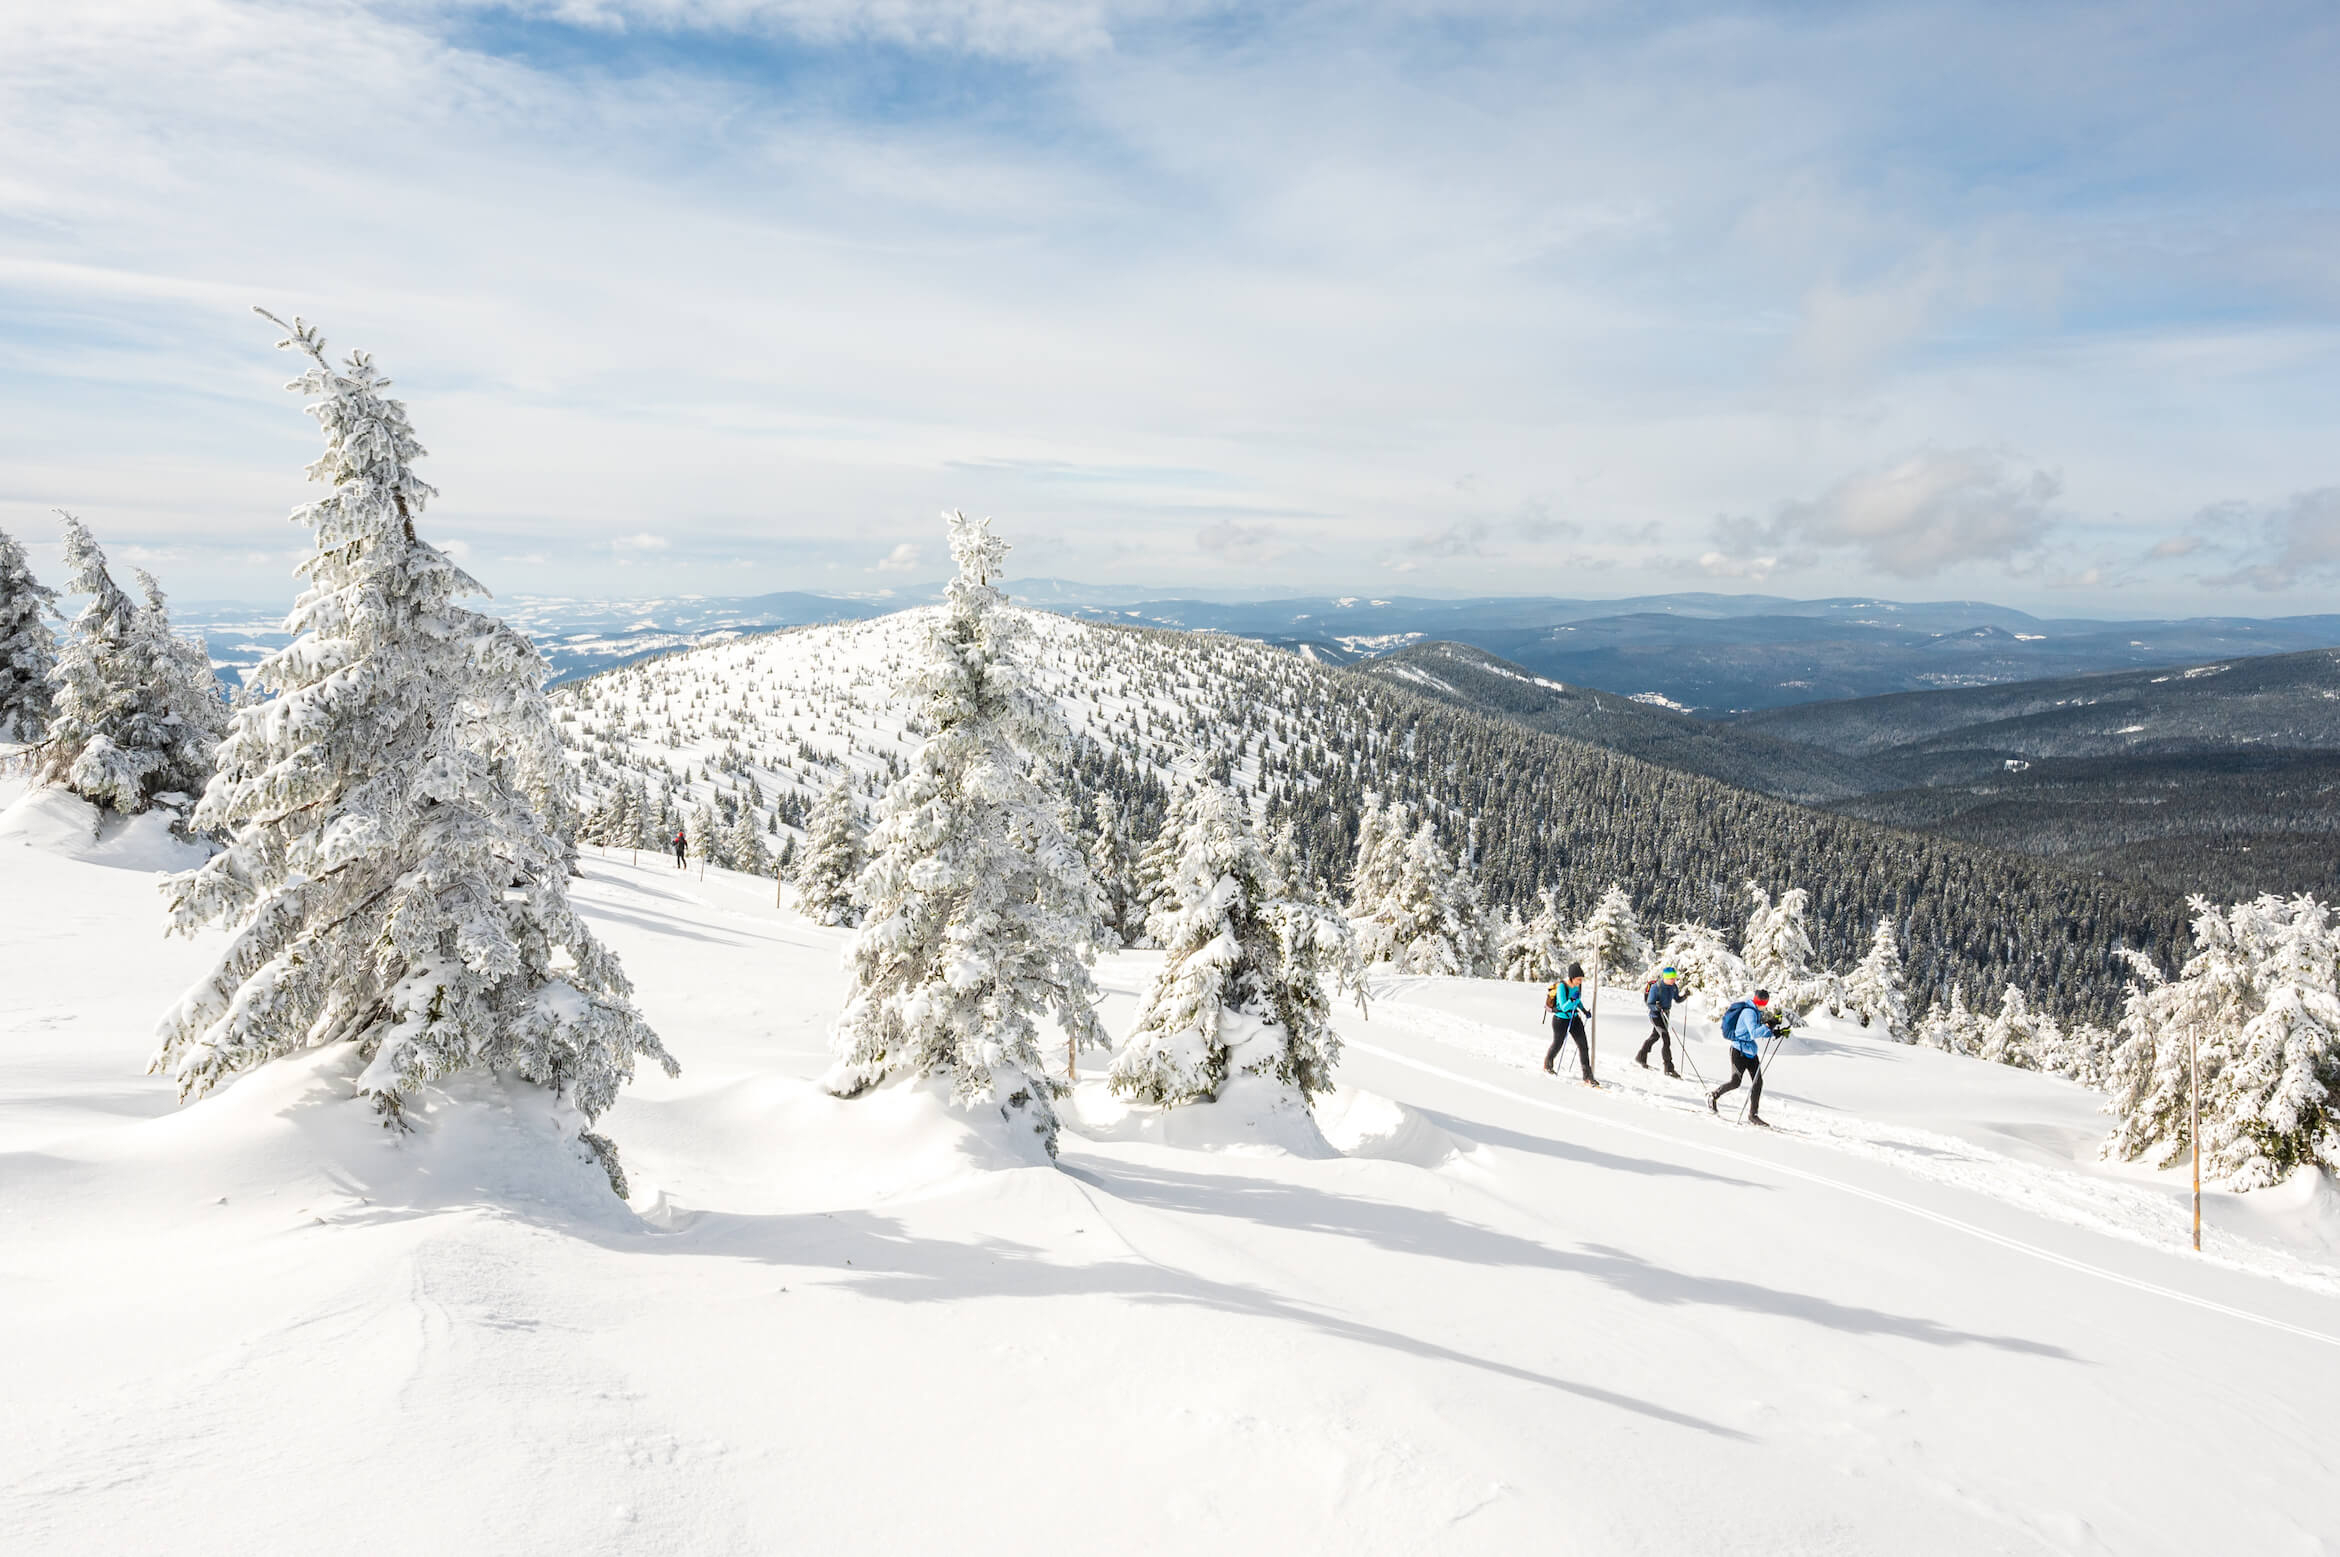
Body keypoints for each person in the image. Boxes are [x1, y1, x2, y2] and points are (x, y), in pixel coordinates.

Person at [1710, 988, 1772, 1125]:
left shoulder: (1755, 1011)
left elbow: (1754, 1032)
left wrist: (1774, 1032)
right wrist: (1768, 1026)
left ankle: (1753, 1115)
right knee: (1735, 1082)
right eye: (1763, 1002)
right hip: (1738, 1051)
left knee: (1758, 1082)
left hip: (1750, 1052)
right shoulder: (1749, 1012)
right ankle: (1713, 1096)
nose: (1764, 1004)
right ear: (1758, 1001)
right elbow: (1754, 1033)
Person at [1543, 962, 1593, 1083]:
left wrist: (1584, 1010)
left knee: (1583, 1046)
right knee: (1557, 1044)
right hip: (1561, 1019)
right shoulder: (1562, 987)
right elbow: (1564, 1006)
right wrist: (1572, 999)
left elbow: (1578, 1001)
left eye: (1581, 979)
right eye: (1578, 979)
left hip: (1574, 1018)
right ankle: (1548, 1064)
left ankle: (1587, 1076)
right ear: (1571, 977)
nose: (1580, 982)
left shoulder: (1577, 986)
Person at [1636, 965, 1683, 1077]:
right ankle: (1668, 1067)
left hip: (1665, 1014)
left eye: (1674, 977)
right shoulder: (1656, 988)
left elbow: (1677, 999)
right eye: (1671, 977)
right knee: (1666, 1037)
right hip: (1655, 1015)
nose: (1673, 979)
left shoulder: (1674, 987)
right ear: (1665, 977)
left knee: (1655, 1036)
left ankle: (1640, 1056)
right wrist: (1657, 1007)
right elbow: (1650, 1004)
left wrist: (1685, 996)